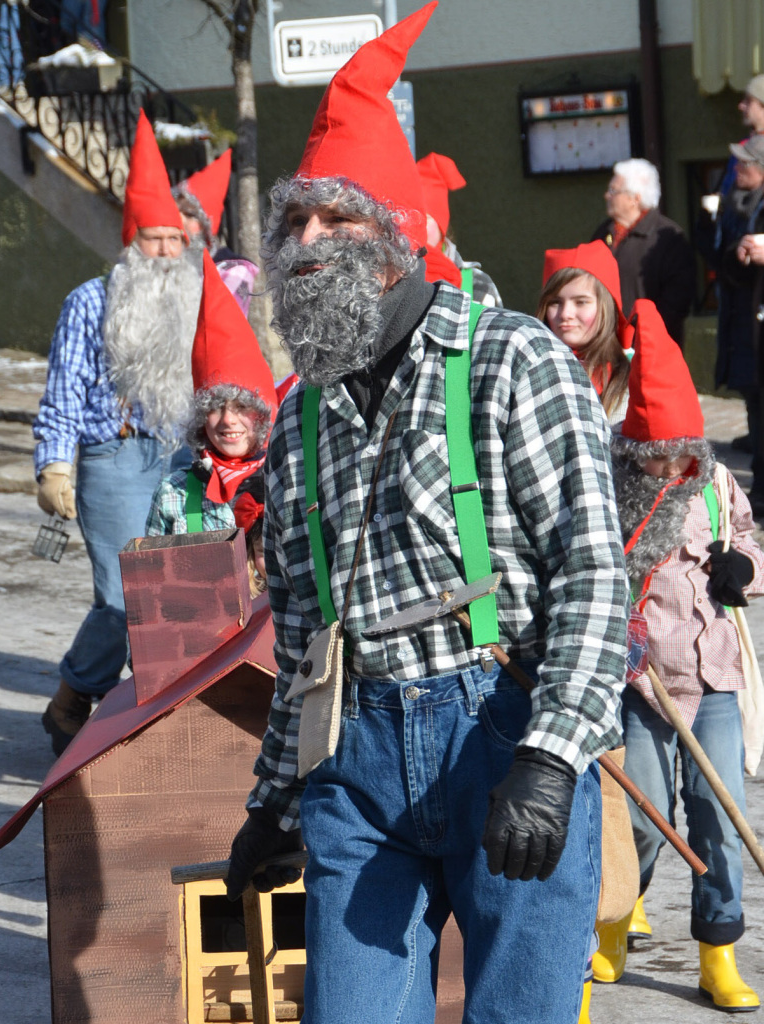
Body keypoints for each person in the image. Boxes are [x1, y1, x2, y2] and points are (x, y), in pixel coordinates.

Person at [224, 6, 629, 1024]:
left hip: (501, 733)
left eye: (336, 218)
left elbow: (590, 570)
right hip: (354, 763)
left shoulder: (511, 360)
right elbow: (304, 628)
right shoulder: (296, 412)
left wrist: (549, 755)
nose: (307, 242)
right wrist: (272, 798)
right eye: (292, 224)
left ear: (398, 232)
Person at [601, 299, 763, 1011]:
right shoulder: (611, 494)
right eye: (657, 451)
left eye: (683, 449)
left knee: (717, 817)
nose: (673, 463)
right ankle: (609, 929)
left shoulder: (717, 484)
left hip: (712, 676)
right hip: (639, 682)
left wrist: (746, 568)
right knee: (637, 816)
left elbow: (749, 539)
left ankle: (716, 950)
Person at [34, 110, 202, 755]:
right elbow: (64, 391)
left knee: (178, 593)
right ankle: (79, 694)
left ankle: (141, 711)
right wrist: (53, 464)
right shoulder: (89, 301)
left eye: (174, 240)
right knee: (123, 596)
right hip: (114, 455)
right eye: (154, 239)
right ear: (131, 242)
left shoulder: (196, 299)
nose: (166, 252)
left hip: (185, 457)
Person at [146, 250, 277, 596]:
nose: (228, 420)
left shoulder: (290, 483)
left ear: (262, 414)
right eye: (215, 407)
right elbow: (151, 592)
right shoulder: (173, 494)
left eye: (241, 406)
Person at [697, 134, 764, 513]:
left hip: (757, 317)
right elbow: (719, 263)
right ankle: (759, 481)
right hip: (742, 319)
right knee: (753, 402)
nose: (738, 170)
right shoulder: (735, 206)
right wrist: (709, 221)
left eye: (747, 164)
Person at [591, 158, 695, 347]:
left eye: (614, 191)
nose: (607, 195)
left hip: (650, 346)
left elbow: (678, 300)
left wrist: (644, 333)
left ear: (635, 198)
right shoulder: (603, 233)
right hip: (606, 344)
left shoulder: (668, 239)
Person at [537, 240, 632, 424]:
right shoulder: (529, 369)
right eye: (555, 302)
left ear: (607, 307)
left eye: (581, 302)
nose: (565, 314)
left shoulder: (629, 382)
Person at [172, 150, 260, 316]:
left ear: (207, 225)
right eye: (174, 212)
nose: (179, 222)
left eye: (190, 215)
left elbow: (219, 321)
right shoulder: (165, 255)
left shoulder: (234, 269)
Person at [416, 151, 503, 306]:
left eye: (426, 218)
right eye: (411, 218)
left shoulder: (477, 285)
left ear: (441, 223)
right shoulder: (388, 280)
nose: (417, 226)